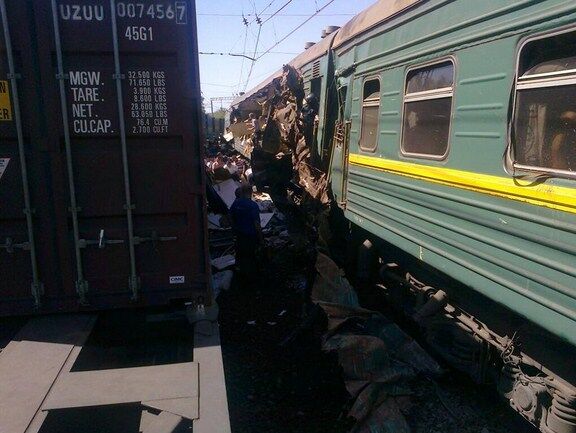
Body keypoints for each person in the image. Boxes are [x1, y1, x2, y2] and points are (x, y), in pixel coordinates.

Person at [230, 184, 262, 278]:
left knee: (240, 255)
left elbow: (230, 217)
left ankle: (239, 274)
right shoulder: (253, 206)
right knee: (251, 257)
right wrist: (261, 239)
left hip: (239, 235)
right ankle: (251, 278)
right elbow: (257, 224)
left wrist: (234, 229)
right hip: (250, 237)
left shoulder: (236, 203)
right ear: (251, 192)